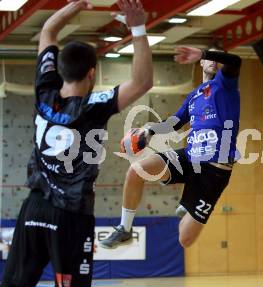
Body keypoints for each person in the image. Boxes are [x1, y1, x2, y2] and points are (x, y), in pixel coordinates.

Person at [1, 0, 153, 286]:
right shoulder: (94, 105)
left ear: (58, 69)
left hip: (34, 206)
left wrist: (74, 5)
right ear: (92, 73)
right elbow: (143, 81)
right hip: (71, 214)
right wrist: (138, 27)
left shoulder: (44, 89)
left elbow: (48, 30)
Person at [100, 47, 242, 249]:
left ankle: (189, 202)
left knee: (185, 240)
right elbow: (175, 121)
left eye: (216, 56)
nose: (213, 60)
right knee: (136, 170)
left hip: (214, 170)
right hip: (190, 158)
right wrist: (150, 132)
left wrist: (204, 53)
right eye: (209, 58)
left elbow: (235, 60)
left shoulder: (226, 85)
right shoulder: (195, 95)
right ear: (201, 65)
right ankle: (125, 228)